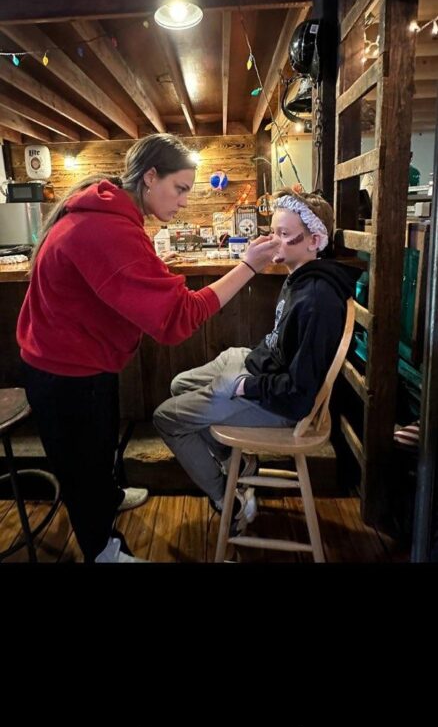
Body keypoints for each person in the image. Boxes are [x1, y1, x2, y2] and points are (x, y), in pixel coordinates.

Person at [16, 134, 279, 563]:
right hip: (64, 370)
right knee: (82, 465)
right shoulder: (106, 227)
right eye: (179, 189)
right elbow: (178, 319)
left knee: (98, 448)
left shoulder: (109, 210)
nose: (183, 201)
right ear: (150, 177)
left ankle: (110, 494)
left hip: (78, 358)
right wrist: (248, 266)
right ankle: (103, 552)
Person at [154, 189, 359, 536]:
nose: (271, 240)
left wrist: (247, 385)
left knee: (166, 418)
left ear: (315, 240)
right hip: (257, 365)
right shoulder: (300, 277)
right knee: (179, 385)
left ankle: (229, 503)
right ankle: (238, 459)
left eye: (282, 234)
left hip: (277, 399)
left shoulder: (317, 300)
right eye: (271, 230)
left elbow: (298, 392)